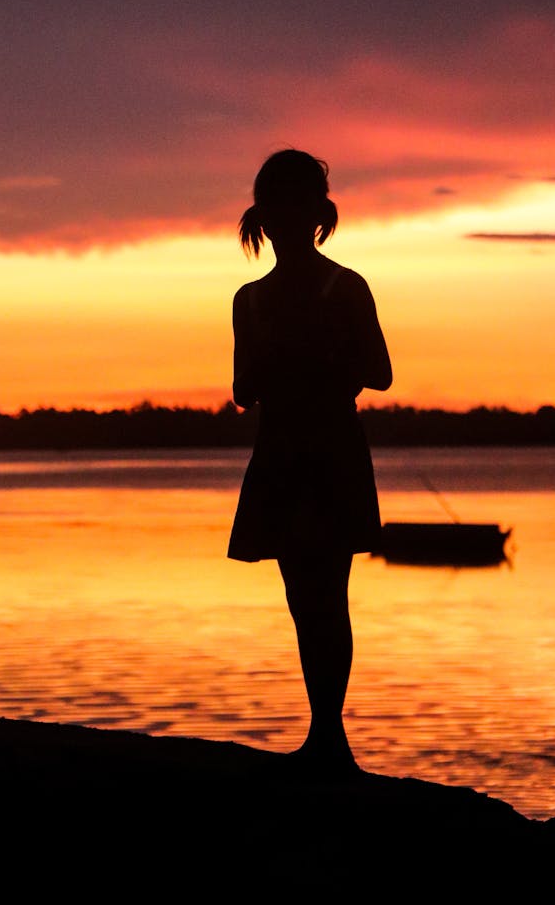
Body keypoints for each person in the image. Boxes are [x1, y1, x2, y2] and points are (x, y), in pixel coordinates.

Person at [228, 148, 392, 780]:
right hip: (283, 455)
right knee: (306, 598)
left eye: (294, 206)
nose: (285, 219)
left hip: (328, 455)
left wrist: (317, 358)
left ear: (313, 214)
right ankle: (325, 737)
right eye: (277, 207)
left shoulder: (343, 286)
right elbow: (245, 390)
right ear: (264, 218)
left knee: (327, 595)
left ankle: (329, 737)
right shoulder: (250, 300)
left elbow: (379, 372)